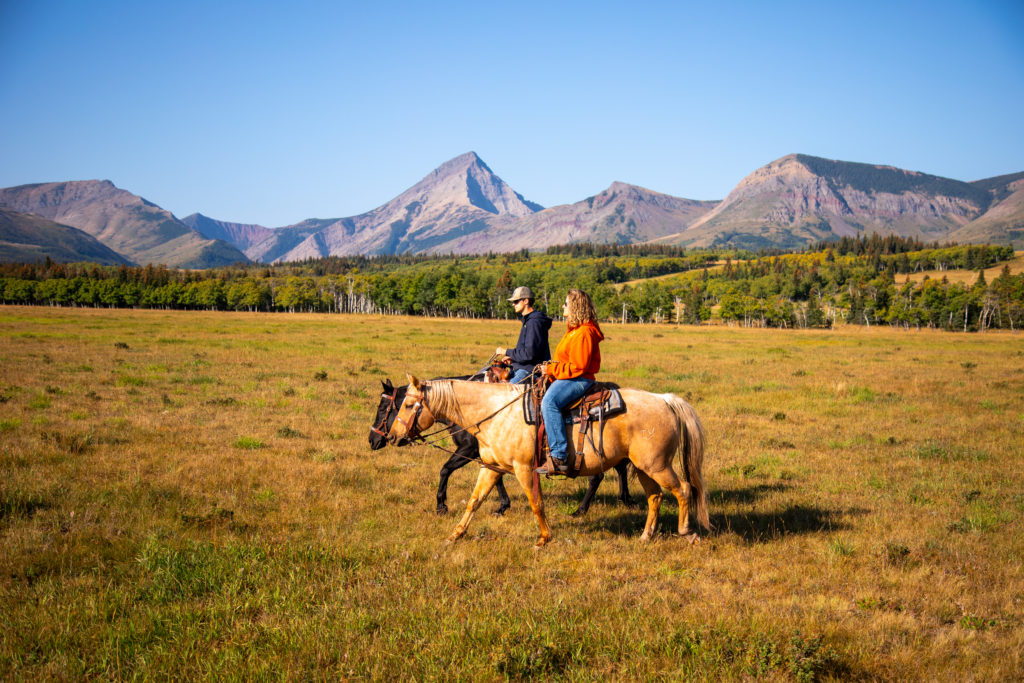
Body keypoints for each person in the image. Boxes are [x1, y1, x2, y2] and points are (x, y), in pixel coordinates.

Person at [537, 289, 604, 473]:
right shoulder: (574, 331)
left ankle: (559, 456)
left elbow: (578, 367)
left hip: (579, 379)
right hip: (569, 375)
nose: (563, 307)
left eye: (566, 304)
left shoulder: (583, 333)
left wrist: (552, 369)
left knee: (549, 403)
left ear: (575, 307)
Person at [495, 286, 551, 384]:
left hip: (529, 370)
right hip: (525, 367)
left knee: (506, 393)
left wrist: (506, 352)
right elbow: (529, 352)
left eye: (516, 301)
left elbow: (529, 354)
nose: (513, 304)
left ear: (525, 301)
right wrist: (513, 359)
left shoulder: (533, 322)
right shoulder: (529, 320)